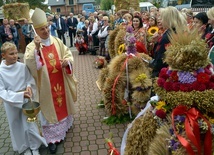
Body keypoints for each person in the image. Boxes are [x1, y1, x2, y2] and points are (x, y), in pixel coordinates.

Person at [24, 8, 77, 154]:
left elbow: (68, 53)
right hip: (46, 86)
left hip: (60, 80)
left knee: (62, 103)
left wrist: (67, 61)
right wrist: (36, 48)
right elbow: (30, 63)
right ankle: (51, 139)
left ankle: (64, 128)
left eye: (47, 27)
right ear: (35, 31)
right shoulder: (31, 46)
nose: (46, 31)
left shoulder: (57, 40)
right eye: (42, 29)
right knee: (50, 110)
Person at [0, 42, 47, 155]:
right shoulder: (1, 71)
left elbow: (29, 80)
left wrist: (29, 87)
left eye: (16, 53)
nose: (15, 56)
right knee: (16, 125)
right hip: (12, 102)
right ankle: (24, 147)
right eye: (11, 54)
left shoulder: (22, 66)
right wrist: (20, 95)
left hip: (26, 100)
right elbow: (2, 91)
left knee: (30, 123)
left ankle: (35, 146)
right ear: (3, 55)